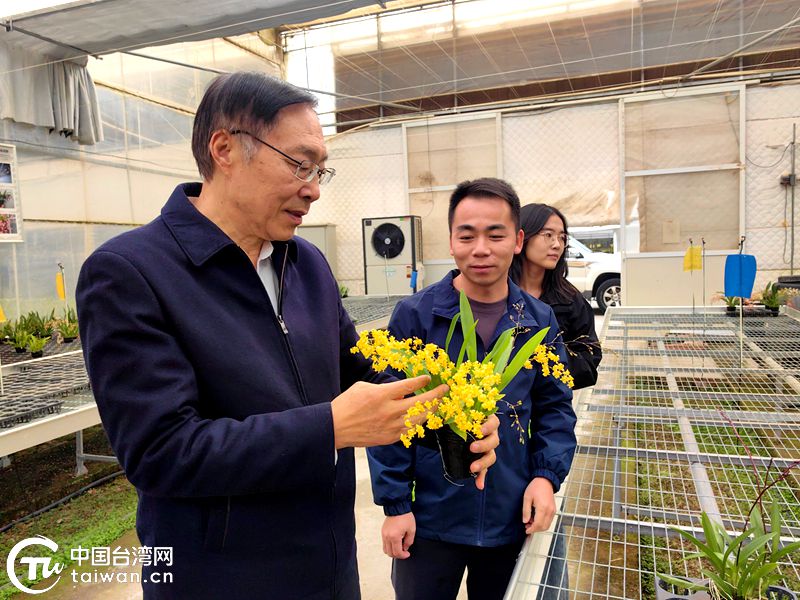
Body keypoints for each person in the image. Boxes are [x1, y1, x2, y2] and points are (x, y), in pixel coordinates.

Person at [76, 72, 500, 600]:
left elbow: (355, 372)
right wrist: (328, 428)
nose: (314, 188)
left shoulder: (306, 262)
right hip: (223, 580)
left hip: (329, 566)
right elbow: (161, 452)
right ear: (225, 150)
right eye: (299, 164)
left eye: (320, 169)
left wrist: (450, 416)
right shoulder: (132, 272)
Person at [367, 178, 577, 600]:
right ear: (451, 242)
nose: (481, 249)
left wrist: (545, 477)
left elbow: (555, 408)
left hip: (511, 513)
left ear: (517, 241)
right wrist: (396, 505)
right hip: (429, 519)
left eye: (495, 235)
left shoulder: (537, 320)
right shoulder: (417, 316)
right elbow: (389, 414)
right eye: (467, 235)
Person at [510, 203, 603, 598]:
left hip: (549, 421)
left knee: (543, 515)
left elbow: (590, 359)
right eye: (547, 234)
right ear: (522, 236)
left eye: (562, 237)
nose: (556, 244)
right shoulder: (497, 291)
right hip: (503, 423)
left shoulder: (568, 300)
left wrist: (544, 370)